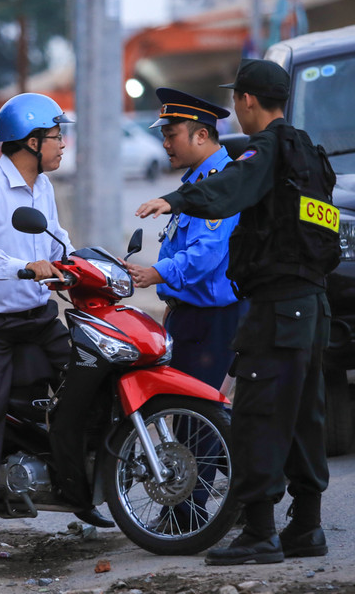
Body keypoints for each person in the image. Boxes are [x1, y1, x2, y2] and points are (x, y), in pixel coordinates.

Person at [136, 59, 338, 565]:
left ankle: (261, 533)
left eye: (236, 101)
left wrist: (175, 198)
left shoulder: (264, 151)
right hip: (313, 304)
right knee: (303, 415)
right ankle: (307, 528)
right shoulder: (308, 152)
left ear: (248, 101)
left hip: (276, 307)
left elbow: (232, 190)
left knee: (258, 416)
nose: (235, 110)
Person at [0, 93, 108, 577]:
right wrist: (21, 269)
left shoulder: (42, 188)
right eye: (56, 137)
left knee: (89, 383)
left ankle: (77, 494)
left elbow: (54, 237)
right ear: (30, 142)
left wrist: (82, 266)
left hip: (35, 321)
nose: (62, 145)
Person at [125, 88, 244, 533]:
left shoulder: (221, 183)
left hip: (214, 319)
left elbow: (206, 256)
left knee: (199, 420)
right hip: (190, 316)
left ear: (200, 134)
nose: (164, 142)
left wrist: (154, 273)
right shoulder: (196, 184)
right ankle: (202, 508)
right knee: (191, 417)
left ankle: (187, 516)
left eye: (171, 133)